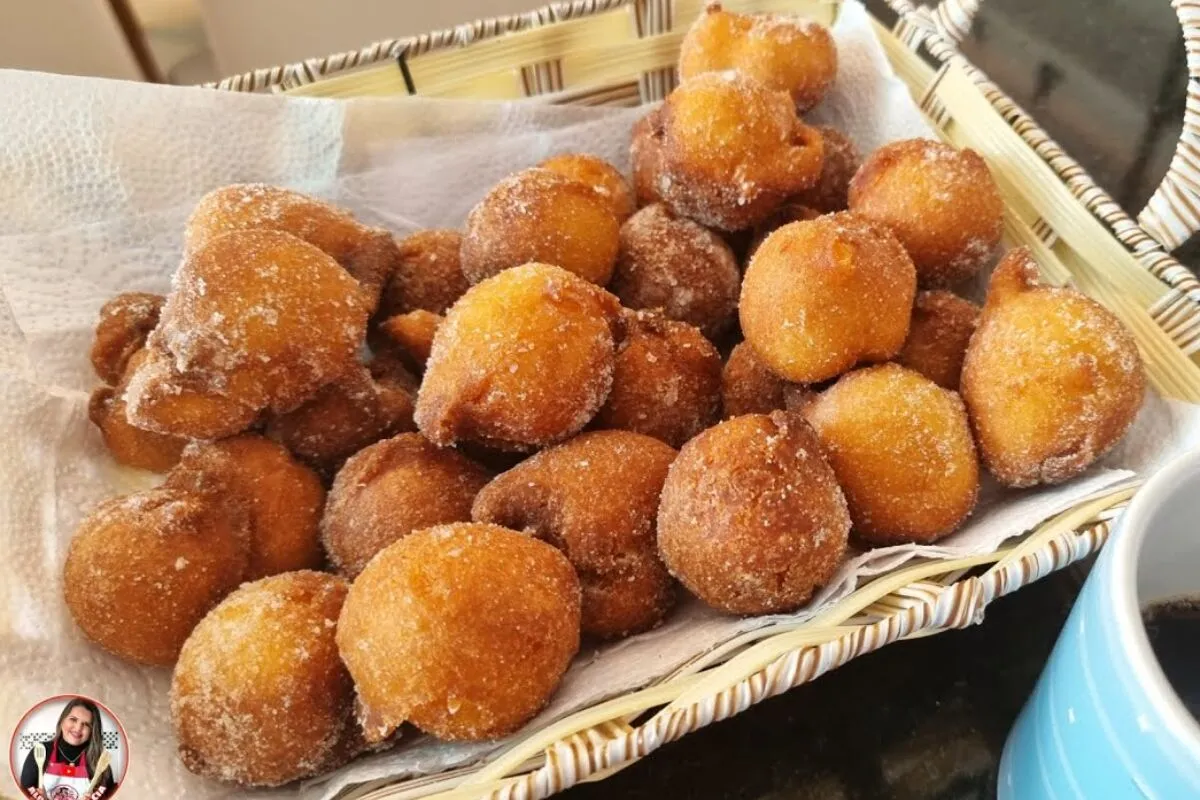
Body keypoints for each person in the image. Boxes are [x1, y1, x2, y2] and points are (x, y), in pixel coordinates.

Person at [19, 697, 118, 799]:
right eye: (73, 719)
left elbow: (107, 796)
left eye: (86, 724)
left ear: (92, 731)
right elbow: (25, 791)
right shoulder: (41, 751)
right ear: (62, 721)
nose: (78, 728)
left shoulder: (100, 761)